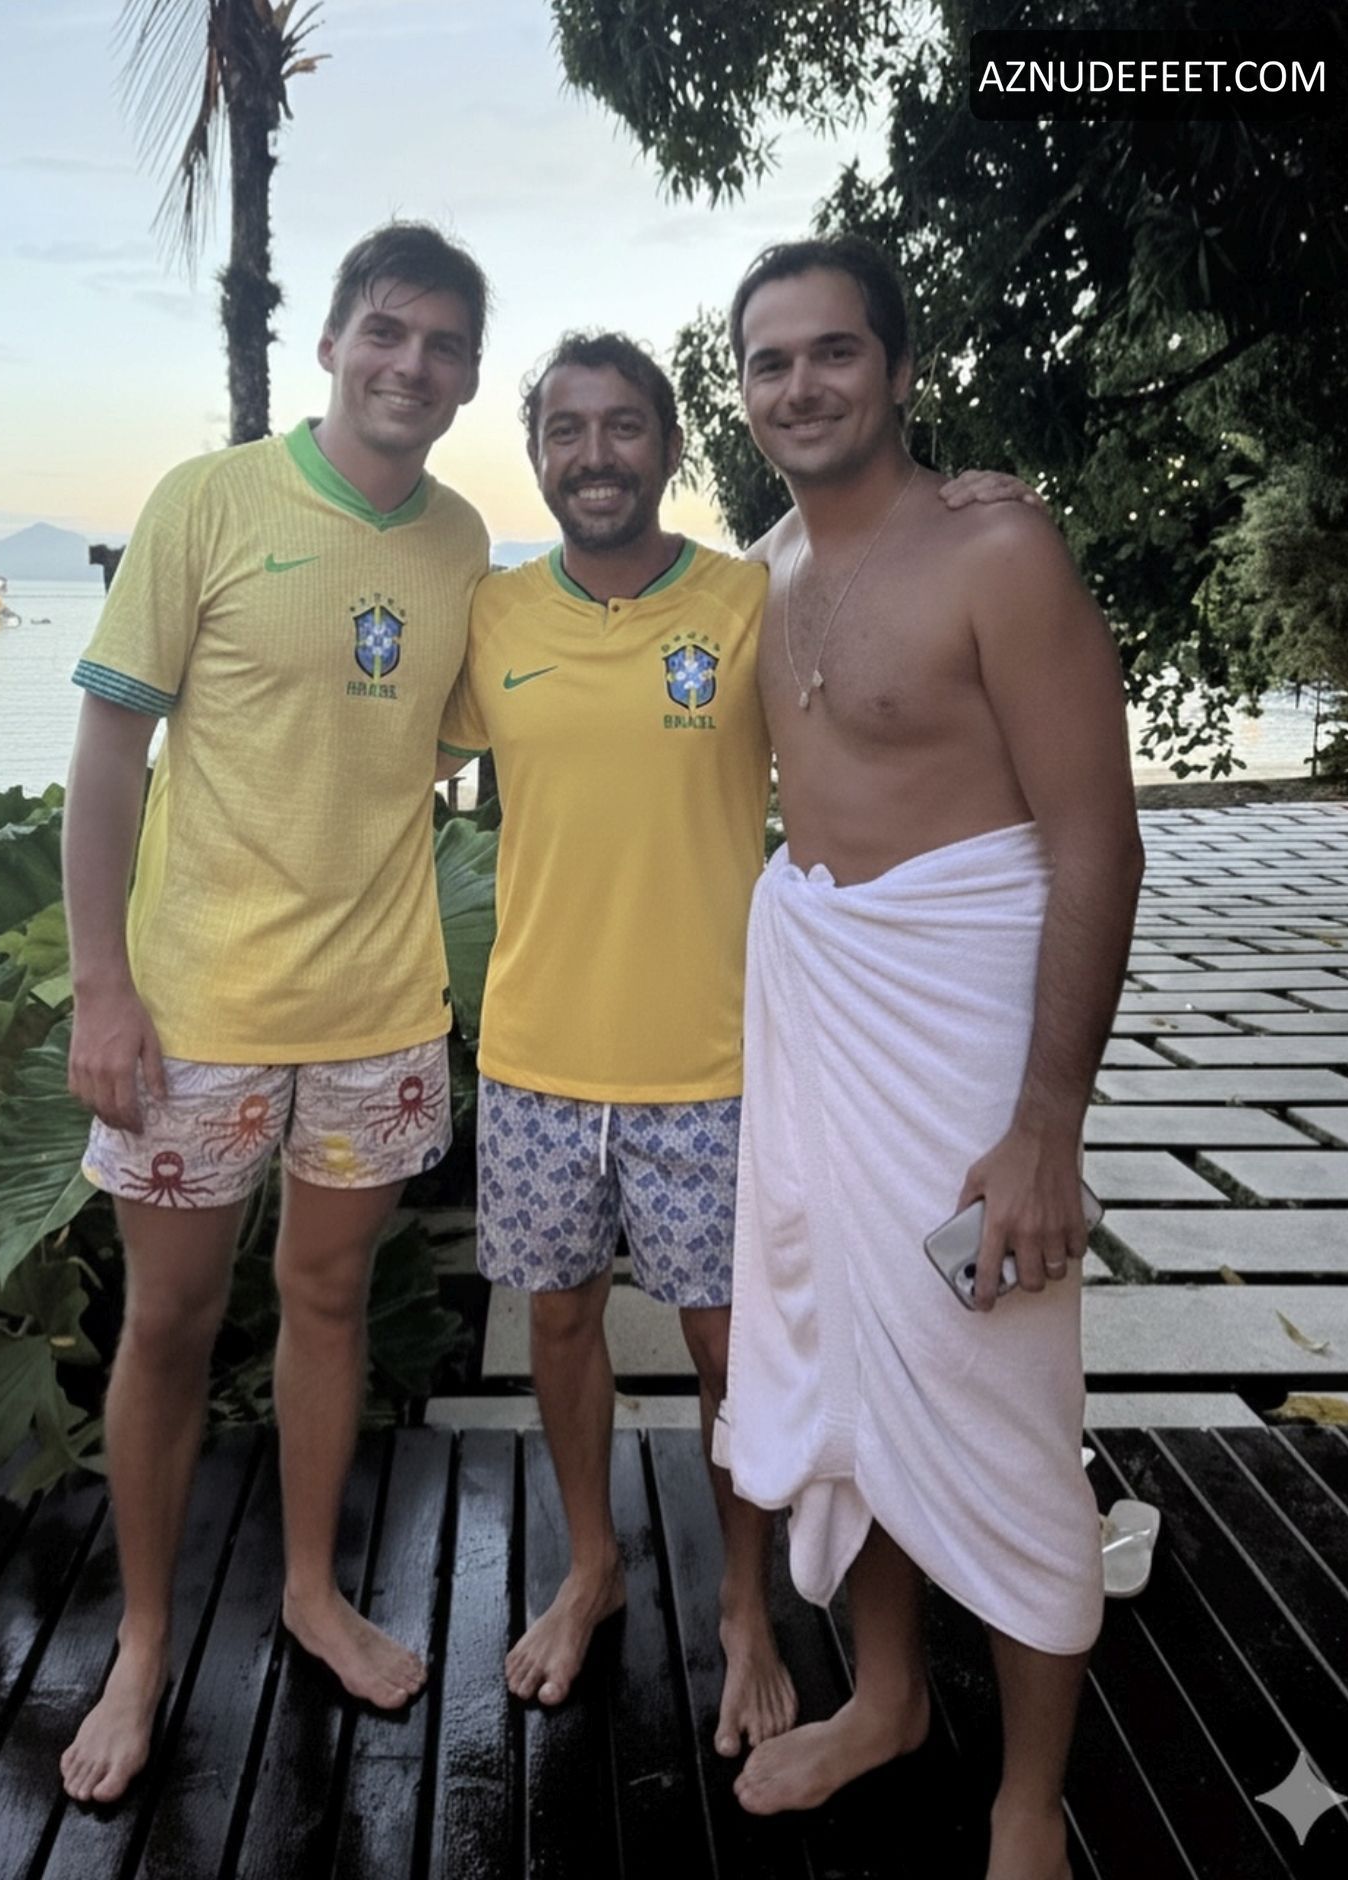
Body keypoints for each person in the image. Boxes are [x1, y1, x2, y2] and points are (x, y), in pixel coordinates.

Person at [435, 331, 1036, 1756]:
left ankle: (747, 1607)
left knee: (733, 1354)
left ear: (666, 445)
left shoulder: (746, 595)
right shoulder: (494, 617)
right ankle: (592, 1567)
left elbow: (860, 573)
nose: (595, 454)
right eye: (567, 429)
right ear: (537, 455)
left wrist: (963, 499)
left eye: (623, 426)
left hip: (717, 1062)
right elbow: (381, 751)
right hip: (534, 1056)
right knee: (559, 1324)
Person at [716, 236, 1143, 1880]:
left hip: (969, 1050)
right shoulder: (760, 579)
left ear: (899, 369)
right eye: (769, 362)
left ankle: (1027, 1799)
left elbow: (1097, 842)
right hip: (824, 1034)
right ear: (741, 393)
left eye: (834, 351)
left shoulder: (997, 551)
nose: (802, 385)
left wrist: (1048, 1123)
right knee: (849, 1373)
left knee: (1004, 1403)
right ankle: (887, 1697)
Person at [58, 222, 489, 1805]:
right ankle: (145, 1640)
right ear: (330, 341)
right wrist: (104, 988)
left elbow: (452, 734)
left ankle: (311, 1592)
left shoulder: (461, 542)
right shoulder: (210, 501)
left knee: (329, 1304)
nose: (411, 366)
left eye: (444, 346)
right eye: (388, 331)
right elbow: (108, 756)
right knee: (168, 1324)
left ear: (468, 378)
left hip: (378, 1012)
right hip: (197, 1014)